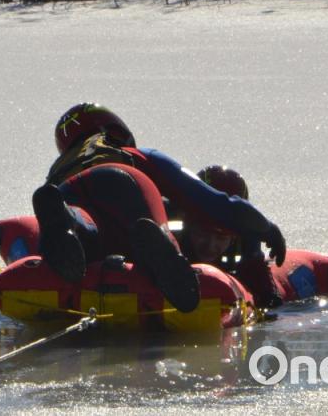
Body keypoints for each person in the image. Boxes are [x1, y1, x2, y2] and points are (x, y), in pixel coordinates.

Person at [34, 103, 286, 311]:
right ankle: (162, 247)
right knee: (148, 223)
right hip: (122, 179)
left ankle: (69, 222)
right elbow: (212, 202)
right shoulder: (139, 154)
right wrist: (265, 228)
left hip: (67, 190)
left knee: (90, 227)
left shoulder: (58, 169)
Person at [180, 165, 284, 308]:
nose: (210, 245)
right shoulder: (169, 235)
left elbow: (268, 300)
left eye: (221, 237)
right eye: (203, 233)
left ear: (235, 236)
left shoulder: (248, 239)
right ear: (187, 223)